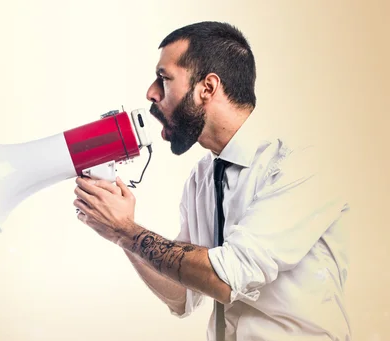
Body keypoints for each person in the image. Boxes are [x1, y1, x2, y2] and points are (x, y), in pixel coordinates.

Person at [73, 21, 351, 341]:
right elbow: (181, 294)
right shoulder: (202, 177)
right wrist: (117, 232)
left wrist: (127, 230)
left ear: (207, 87)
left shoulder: (301, 162)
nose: (151, 93)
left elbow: (226, 278)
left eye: (164, 79)